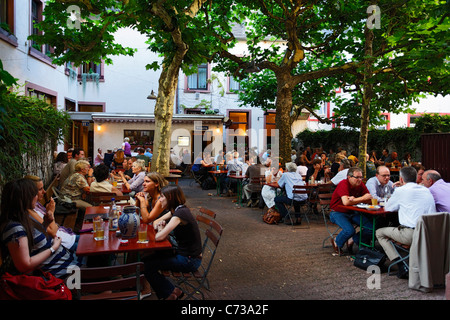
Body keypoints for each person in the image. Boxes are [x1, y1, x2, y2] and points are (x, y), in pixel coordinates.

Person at [0, 178, 81, 279]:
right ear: (25, 198)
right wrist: (53, 248)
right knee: (102, 260)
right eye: (34, 194)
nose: (37, 197)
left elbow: (34, 242)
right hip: (65, 275)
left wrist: (45, 225)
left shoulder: (24, 217)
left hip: (69, 262)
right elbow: (24, 265)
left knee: (100, 253)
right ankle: (84, 292)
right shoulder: (14, 228)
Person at [143, 185, 202, 300]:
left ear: (169, 197)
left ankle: (170, 294)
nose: (160, 200)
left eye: (162, 197)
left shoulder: (180, 214)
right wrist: (160, 228)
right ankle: (172, 291)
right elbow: (155, 222)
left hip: (189, 260)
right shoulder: (176, 210)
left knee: (147, 266)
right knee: (146, 257)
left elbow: (159, 237)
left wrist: (161, 230)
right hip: (184, 253)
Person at [376, 166, 436, 279]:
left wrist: (398, 190)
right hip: (429, 234)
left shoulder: (401, 190)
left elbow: (388, 208)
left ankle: (401, 265)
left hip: (412, 234)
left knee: (379, 232)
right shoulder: (426, 190)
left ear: (401, 179)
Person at [25, 175, 79, 252]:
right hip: (62, 244)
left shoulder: (36, 206)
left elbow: (52, 227)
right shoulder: (29, 212)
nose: (44, 192)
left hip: (64, 237)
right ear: (30, 192)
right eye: (40, 189)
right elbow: (53, 232)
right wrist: (51, 212)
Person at [329, 167, 373, 255]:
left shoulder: (360, 185)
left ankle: (353, 239)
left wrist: (356, 199)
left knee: (371, 228)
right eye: (357, 177)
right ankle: (337, 242)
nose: (360, 180)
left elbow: (369, 199)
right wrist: (362, 198)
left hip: (353, 212)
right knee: (349, 230)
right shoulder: (343, 183)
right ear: (349, 177)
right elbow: (346, 202)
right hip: (337, 212)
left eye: (361, 177)